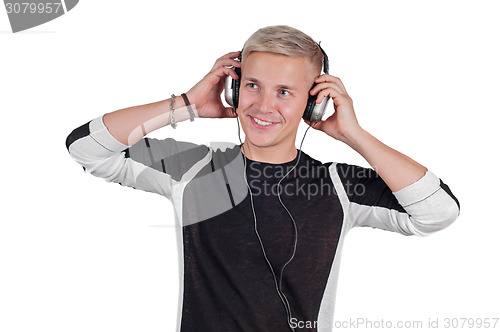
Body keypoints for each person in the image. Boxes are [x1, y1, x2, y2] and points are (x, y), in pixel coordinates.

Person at [65, 25, 460, 332]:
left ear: (314, 103)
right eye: (252, 85)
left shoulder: (340, 186)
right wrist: (185, 106)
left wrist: (352, 134)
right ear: (234, 90)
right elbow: (86, 147)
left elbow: (438, 212)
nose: (263, 105)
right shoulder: (193, 167)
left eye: (285, 92)